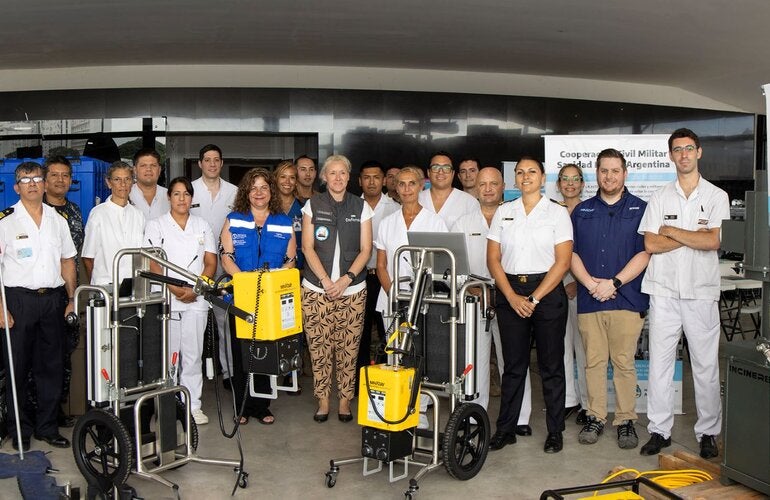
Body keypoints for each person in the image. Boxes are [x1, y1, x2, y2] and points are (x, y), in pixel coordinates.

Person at [637, 128, 729, 459]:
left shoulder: (716, 196)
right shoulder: (659, 197)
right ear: (671, 155)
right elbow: (651, 243)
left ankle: (708, 433)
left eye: (689, 148)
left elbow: (713, 241)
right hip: (663, 292)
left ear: (699, 152)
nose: (684, 155)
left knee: (705, 366)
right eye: (678, 149)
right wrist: (693, 235)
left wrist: (673, 231)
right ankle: (659, 431)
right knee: (659, 364)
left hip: (701, 294)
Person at [487, 157, 572, 454]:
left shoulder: (557, 213)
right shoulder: (504, 212)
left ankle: (555, 431)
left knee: (551, 366)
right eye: (520, 172)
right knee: (513, 367)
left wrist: (534, 299)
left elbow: (563, 262)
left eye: (532, 172)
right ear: (515, 179)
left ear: (543, 178)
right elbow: (493, 259)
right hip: (510, 291)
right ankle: (506, 429)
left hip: (547, 292)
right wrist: (512, 296)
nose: (526, 176)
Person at [569, 150, 650, 449]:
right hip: (591, 299)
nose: (610, 176)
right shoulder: (582, 211)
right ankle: (595, 416)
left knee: (624, 362)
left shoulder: (642, 209)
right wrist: (592, 284)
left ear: (625, 173)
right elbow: (570, 253)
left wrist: (614, 283)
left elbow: (645, 253)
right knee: (593, 362)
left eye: (615, 171)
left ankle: (626, 420)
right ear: (597, 173)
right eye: (604, 171)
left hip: (627, 298)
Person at [450, 167, 533, 436]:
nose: (487, 189)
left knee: (514, 359)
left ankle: (520, 418)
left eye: (493, 183)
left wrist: (509, 291)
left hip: (510, 298)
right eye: (482, 184)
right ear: (476, 187)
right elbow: (454, 265)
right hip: (474, 299)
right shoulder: (462, 222)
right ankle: (474, 416)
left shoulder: (517, 217)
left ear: (503, 186)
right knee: (474, 361)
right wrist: (472, 288)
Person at [0, 162, 77, 450]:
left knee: (51, 366)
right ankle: (20, 430)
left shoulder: (58, 220)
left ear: (44, 184)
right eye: (25, 179)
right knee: (17, 368)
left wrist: (71, 299)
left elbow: (67, 260)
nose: (32, 184)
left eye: (36, 179)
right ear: (16, 187)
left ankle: (47, 427)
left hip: (53, 300)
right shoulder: (5, 222)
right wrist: (0, 307)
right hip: (18, 301)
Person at [220, 168, 297, 425]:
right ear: (246, 192)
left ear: (271, 191)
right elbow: (226, 257)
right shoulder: (233, 219)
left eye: (264, 187)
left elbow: (291, 260)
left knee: (266, 352)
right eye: (253, 188)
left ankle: (262, 405)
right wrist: (245, 282)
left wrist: (272, 283)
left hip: (270, 300)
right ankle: (242, 406)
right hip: (240, 297)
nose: (259, 193)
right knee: (240, 352)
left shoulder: (283, 221)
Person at [301, 155, 372, 423]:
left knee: (348, 349)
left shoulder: (361, 206)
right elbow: (307, 247)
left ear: (349, 177)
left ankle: (344, 401)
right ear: (324, 177)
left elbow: (366, 249)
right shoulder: (312, 204)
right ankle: (322, 401)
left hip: (352, 291)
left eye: (343, 173)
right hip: (316, 289)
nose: (338, 178)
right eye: (332, 173)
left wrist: (345, 280)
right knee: (319, 348)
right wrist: (325, 281)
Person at [189, 144, 238, 387]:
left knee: (225, 321)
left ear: (221, 163)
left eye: (216, 160)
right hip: (194, 267)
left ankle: (229, 373)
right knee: (192, 323)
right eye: (207, 160)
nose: (212, 164)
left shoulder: (234, 192)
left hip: (225, 268)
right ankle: (191, 376)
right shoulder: (189, 190)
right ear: (200, 163)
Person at [42, 156, 84, 428]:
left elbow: (77, 256)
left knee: (64, 354)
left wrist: (74, 295)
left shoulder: (75, 211)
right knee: (40, 356)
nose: (60, 180)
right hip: (41, 293)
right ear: (45, 180)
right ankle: (35, 414)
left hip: (68, 294)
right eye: (55, 175)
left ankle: (56, 410)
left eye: (65, 175)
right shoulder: (35, 210)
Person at [556, 164, 590, 425]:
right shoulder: (551, 211)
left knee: (585, 348)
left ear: (582, 184)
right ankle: (569, 400)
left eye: (575, 179)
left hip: (583, 288)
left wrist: (578, 282)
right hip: (554, 287)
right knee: (561, 347)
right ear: (558, 184)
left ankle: (589, 404)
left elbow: (595, 252)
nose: (570, 184)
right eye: (565, 179)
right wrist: (560, 282)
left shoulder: (590, 212)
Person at [358, 160, 399, 373]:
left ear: (384, 181)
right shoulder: (352, 206)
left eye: (376, 177)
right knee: (360, 332)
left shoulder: (396, 208)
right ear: (360, 181)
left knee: (387, 331)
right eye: (367, 177)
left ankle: (385, 380)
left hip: (385, 277)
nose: (371, 182)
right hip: (359, 277)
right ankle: (360, 380)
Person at [82, 161, 145, 286]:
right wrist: (96, 286)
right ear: (108, 182)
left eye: (127, 179)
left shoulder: (138, 215)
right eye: (117, 179)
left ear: (132, 182)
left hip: (133, 286)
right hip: (105, 286)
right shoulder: (98, 213)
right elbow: (88, 257)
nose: (123, 184)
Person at [418, 152, 479, 225]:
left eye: (446, 168)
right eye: (435, 167)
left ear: (453, 173)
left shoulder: (469, 202)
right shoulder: (416, 199)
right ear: (428, 172)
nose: (441, 172)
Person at [129, 148, 169, 220]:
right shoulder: (125, 195)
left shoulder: (170, 196)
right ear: (135, 170)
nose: (148, 169)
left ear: (159, 170)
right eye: (143, 165)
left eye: (153, 165)